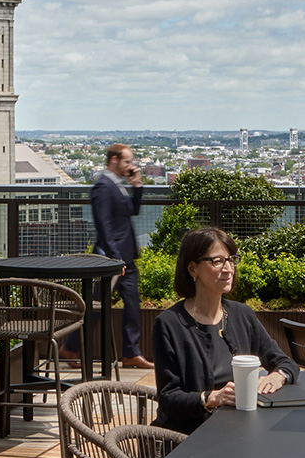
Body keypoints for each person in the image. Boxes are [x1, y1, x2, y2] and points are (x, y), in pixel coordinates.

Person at [153, 225, 293, 431]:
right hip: (189, 438)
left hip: (238, 429)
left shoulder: (241, 314)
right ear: (193, 269)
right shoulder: (169, 323)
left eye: (231, 260)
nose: (228, 269)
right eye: (217, 261)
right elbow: (168, 398)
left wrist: (277, 376)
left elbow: (284, 362)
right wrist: (211, 398)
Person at [90, 142, 154, 370]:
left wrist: (136, 186)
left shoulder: (117, 184)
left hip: (125, 258)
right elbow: (104, 226)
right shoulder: (103, 186)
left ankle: (131, 353)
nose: (131, 165)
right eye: (127, 161)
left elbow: (132, 211)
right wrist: (115, 259)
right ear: (114, 160)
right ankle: (71, 347)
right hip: (112, 259)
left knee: (132, 304)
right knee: (97, 307)